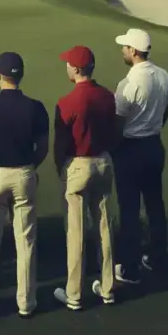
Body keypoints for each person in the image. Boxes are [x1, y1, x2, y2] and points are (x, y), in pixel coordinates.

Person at [0, 52, 49, 318]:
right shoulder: (36, 107)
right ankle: (26, 302)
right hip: (24, 173)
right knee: (25, 241)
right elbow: (43, 147)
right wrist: (31, 168)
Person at [52, 45, 120, 309]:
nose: (66, 66)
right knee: (104, 227)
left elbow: (60, 144)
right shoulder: (107, 96)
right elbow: (114, 132)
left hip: (78, 167)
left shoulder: (66, 102)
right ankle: (107, 288)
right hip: (104, 163)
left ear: (77, 69)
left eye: (68, 63)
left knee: (76, 232)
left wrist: (60, 167)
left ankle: (75, 294)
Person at [112, 28, 168, 285]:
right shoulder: (164, 76)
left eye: (125, 47)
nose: (122, 50)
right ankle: (158, 257)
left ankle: (129, 268)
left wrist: (114, 148)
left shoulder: (129, 84)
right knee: (155, 204)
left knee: (129, 210)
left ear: (134, 52)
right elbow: (166, 111)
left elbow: (117, 122)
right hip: (154, 145)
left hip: (131, 148)